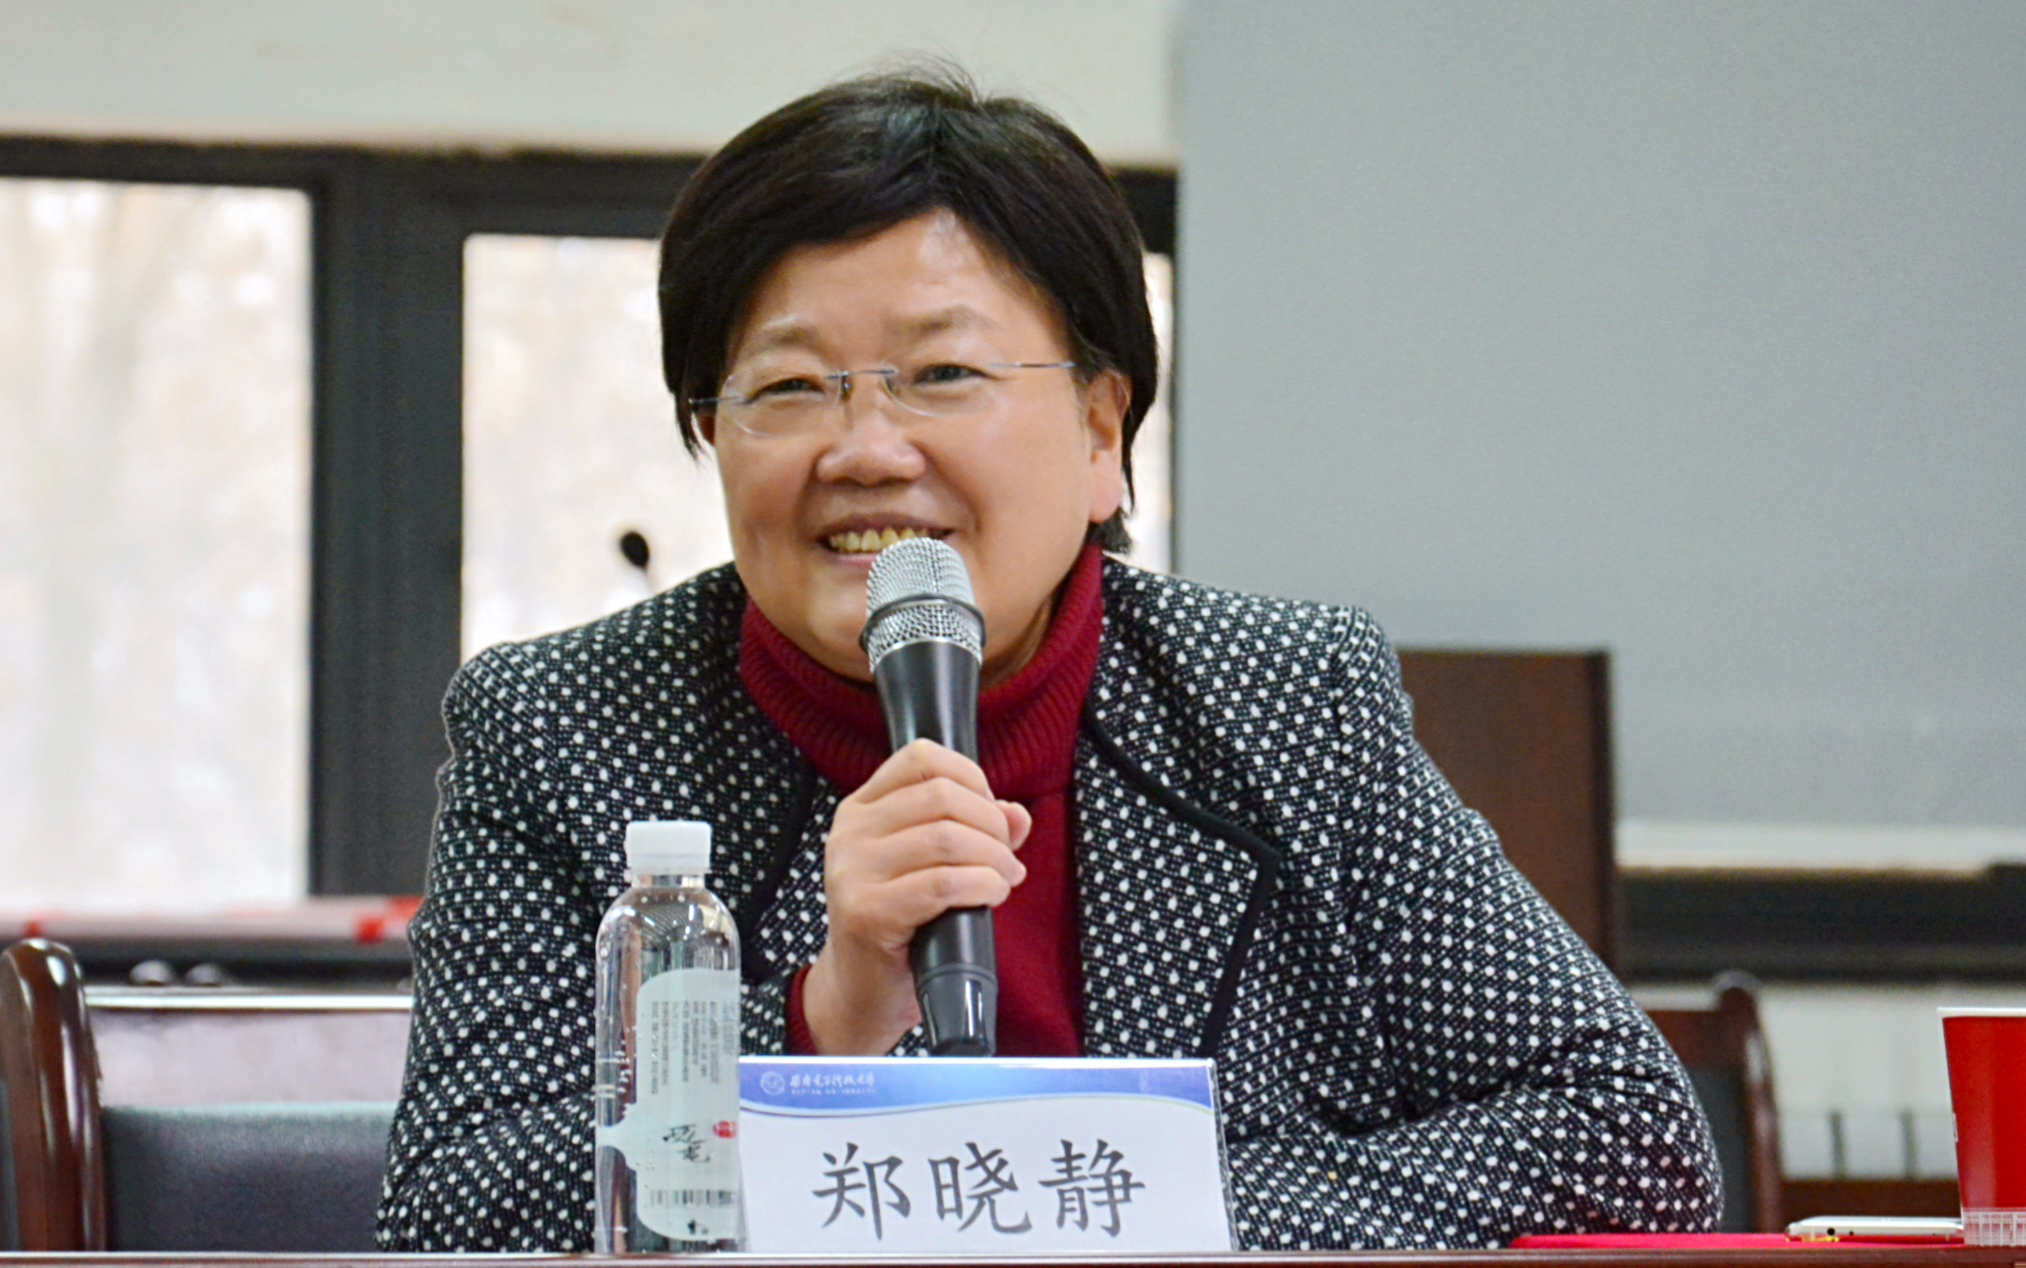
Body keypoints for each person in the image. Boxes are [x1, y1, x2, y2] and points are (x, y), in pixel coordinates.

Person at [376, 67, 1721, 1251]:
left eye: (942, 375)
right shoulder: (564, 726)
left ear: (1099, 434)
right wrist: (820, 1026)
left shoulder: (1284, 699)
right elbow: (451, 1208)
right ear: (709, 436)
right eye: (788, 388)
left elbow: (1624, 1133)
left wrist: (1111, 1208)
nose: (865, 450)